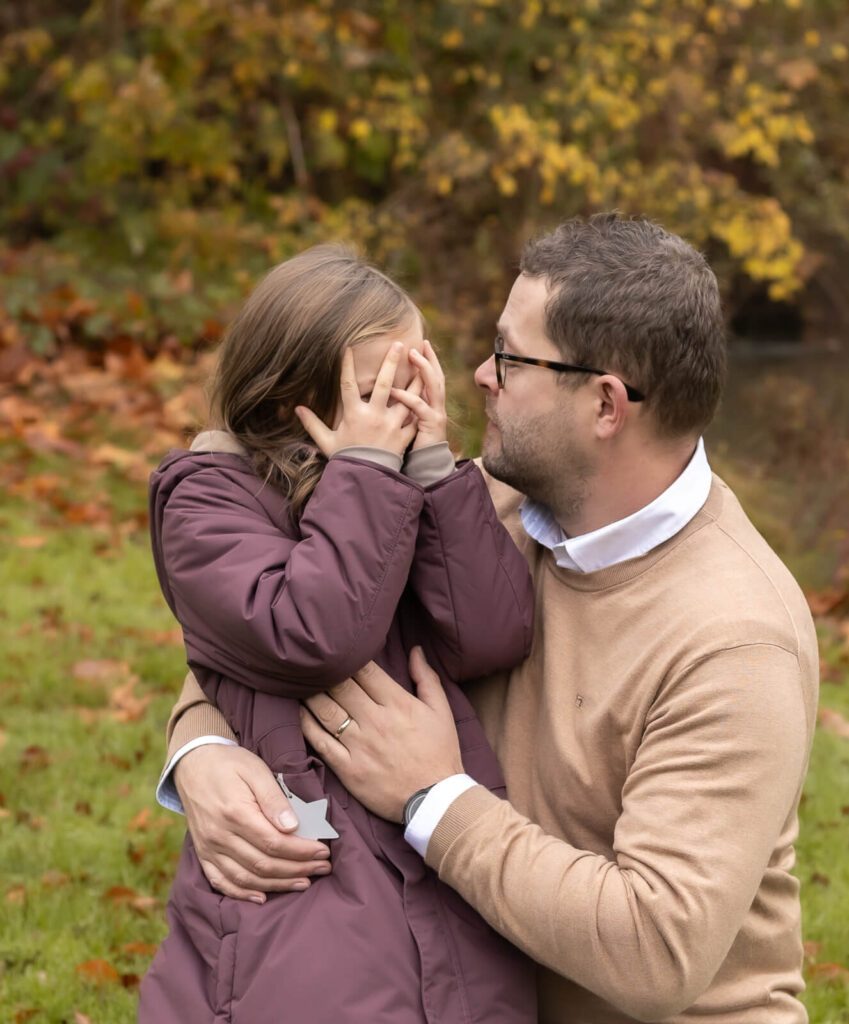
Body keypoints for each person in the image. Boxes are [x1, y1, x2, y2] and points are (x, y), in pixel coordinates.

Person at [163, 215, 819, 1023]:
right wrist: (201, 751)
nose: (477, 375)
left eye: (509, 357)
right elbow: (286, 621)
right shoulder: (474, 508)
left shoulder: (735, 642)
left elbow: (656, 954)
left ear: (605, 404)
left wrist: (433, 798)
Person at [139, 244, 536, 1023]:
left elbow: (490, 635)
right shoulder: (205, 500)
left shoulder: (401, 488)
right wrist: (366, 471)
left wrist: (432, 473)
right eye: (376, 390)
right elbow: (313, 634)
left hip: (435, 855)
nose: (403, 409)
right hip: (301, 876)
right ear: (295, 395)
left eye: (415, 380)